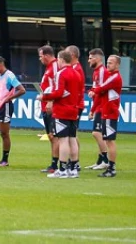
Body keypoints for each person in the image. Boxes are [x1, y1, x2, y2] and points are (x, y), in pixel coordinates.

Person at [39, 50, 83, 178]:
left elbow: (58, 93)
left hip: (62, 110)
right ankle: (73, 169)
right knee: (72, 139)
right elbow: (79, 93)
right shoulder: (77, 73)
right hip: (74, 109)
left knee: (63, 140)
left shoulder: (61, 73)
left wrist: (44, 96)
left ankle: (63, 170)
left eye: (58, 59)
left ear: (61, 59)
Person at [89, 55, 122, 178]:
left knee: (110, 141)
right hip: (105, 112)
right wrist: (93, 108)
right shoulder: (109, 76)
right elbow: (101, 92)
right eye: (108, 62)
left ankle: (111, 168)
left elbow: (101, 88)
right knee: (107, 140)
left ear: (118, 65)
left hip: (110, 113)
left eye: (111, 63)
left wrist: (94, 91)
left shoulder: (115, 77)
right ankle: (108, 165)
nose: (108, 65)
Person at [0, 56, 25, 166]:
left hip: (5, 107)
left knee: (4, 133)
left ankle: (5, 160)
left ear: (0, 65)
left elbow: (22, 90)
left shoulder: (9, 75)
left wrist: (8, 98)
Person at [38, 45, 60, 173]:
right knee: (51, 136)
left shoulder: (55, 66)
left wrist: (51, 101)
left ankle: (56, 164)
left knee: (55, 136)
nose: (40, 59)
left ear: (46, 55)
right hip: (45, 105)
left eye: (40, 56)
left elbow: (58, 85)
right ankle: (54, 164)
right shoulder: (48, 68)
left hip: (52, 106)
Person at [86, 48, 109, 170]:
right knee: (98, 133)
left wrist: (93, 110)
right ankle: (100, 160)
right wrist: (91, 91)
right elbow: (96, 90)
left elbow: (100, 92)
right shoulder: (96, 72)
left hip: (101, 106)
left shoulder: (101, 72)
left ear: (98, 58)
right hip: (99, 105)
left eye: (91, 58)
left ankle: (105, 160)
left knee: (96, 133)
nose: (88, 60)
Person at [66, 45, 85, 169]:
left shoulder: (76, 69)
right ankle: (74, 160)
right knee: (72, 134)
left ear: (72, 55)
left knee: (71, 135)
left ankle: (75, 161)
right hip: (76, 104)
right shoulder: (75, 68)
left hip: (75, 105)